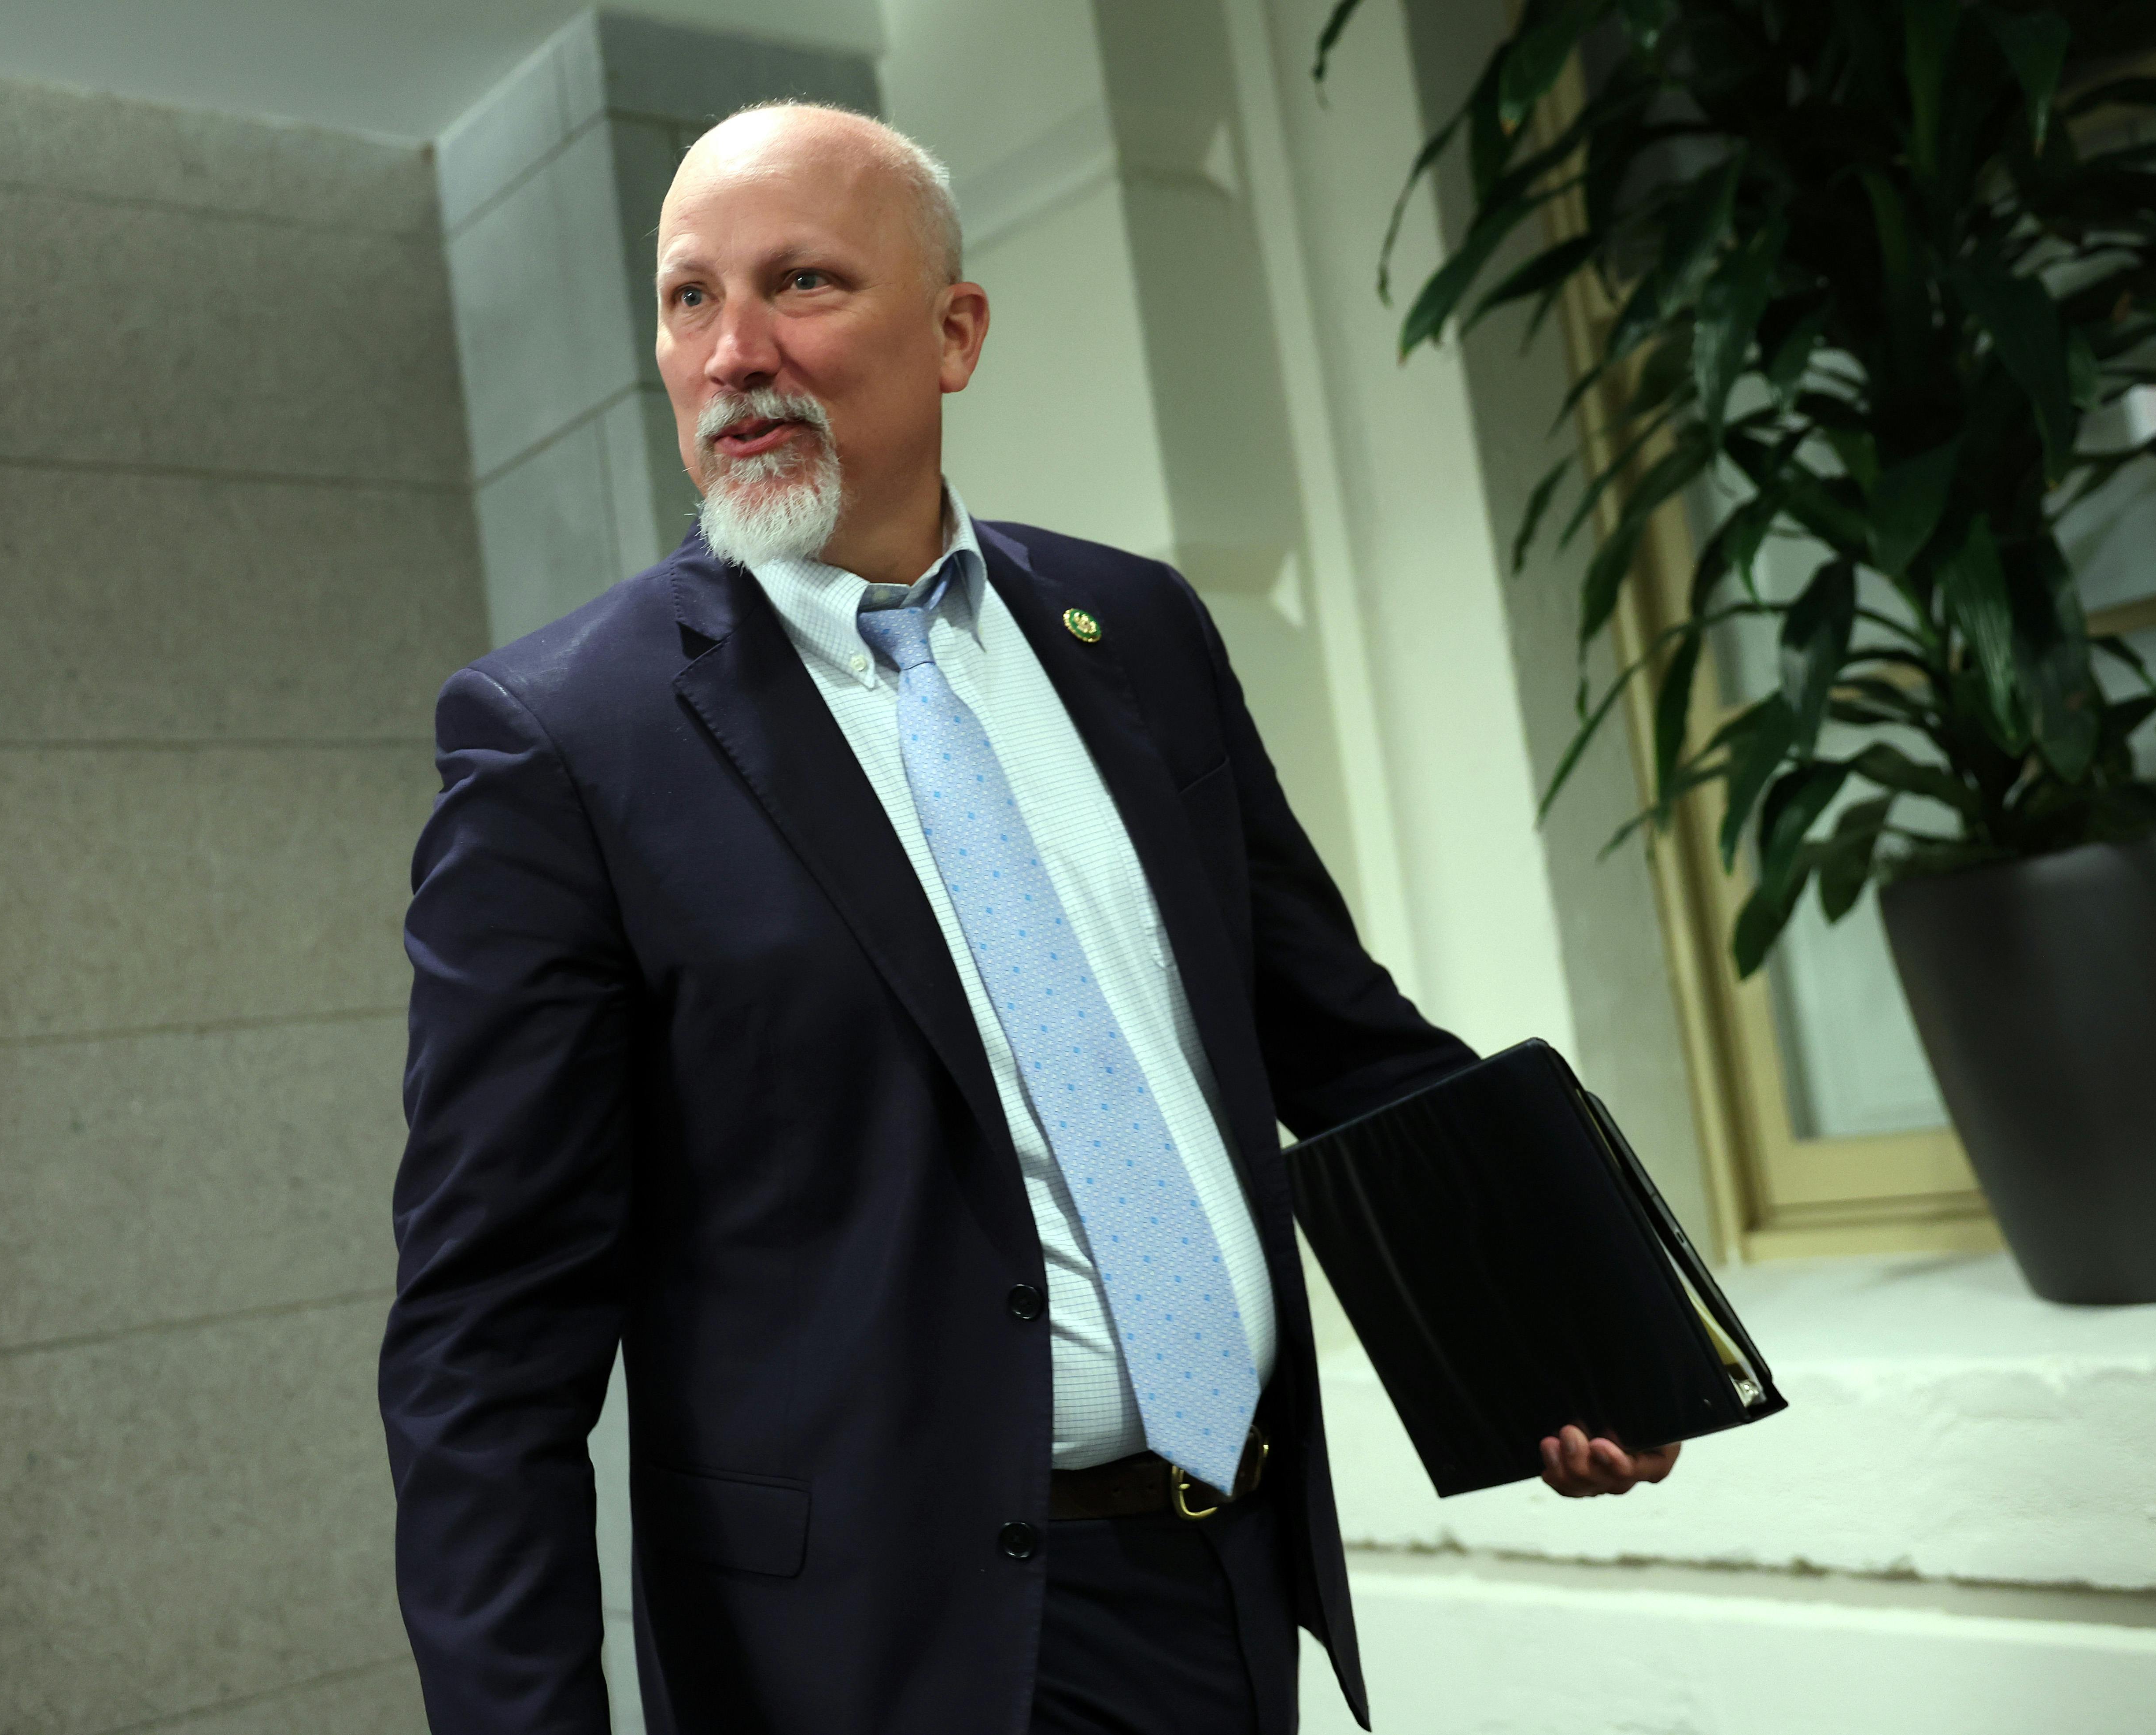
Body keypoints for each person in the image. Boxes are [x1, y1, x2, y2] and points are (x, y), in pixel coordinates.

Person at [378, 101, 1677, 1735]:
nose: (733, 354)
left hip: (1231, 1570)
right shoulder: (566, 739)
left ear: (956, 332)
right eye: (690, 297)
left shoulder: (1130, 626)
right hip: (878, 1660)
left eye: (804, 284)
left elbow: (1335, 1033)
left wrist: (1569, 1333)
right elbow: (486, 1343)